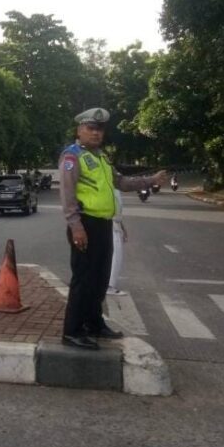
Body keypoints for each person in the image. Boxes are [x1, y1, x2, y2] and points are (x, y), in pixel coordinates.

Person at [59, 108, 166, 349]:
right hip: (85, 224)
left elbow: (122, 182)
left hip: (103, 224)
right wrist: (76, 227)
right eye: (90, 129)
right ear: (80, 130)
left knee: (100, 279)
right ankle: (72, 331)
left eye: (99, 130)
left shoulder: (102, 157)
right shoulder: (72, 157)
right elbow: (67, 196)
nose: (96, 133)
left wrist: (150, 180)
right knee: (83, 280)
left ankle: (94, 323)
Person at [106, 188, 127, 296]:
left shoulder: (115, 188)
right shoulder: (107, 186)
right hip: (109, 224)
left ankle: (107, 284)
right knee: (115, 256)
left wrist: (123, 228)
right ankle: (109, 286)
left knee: (115, 256)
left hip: (115, 224)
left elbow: (118, 210)